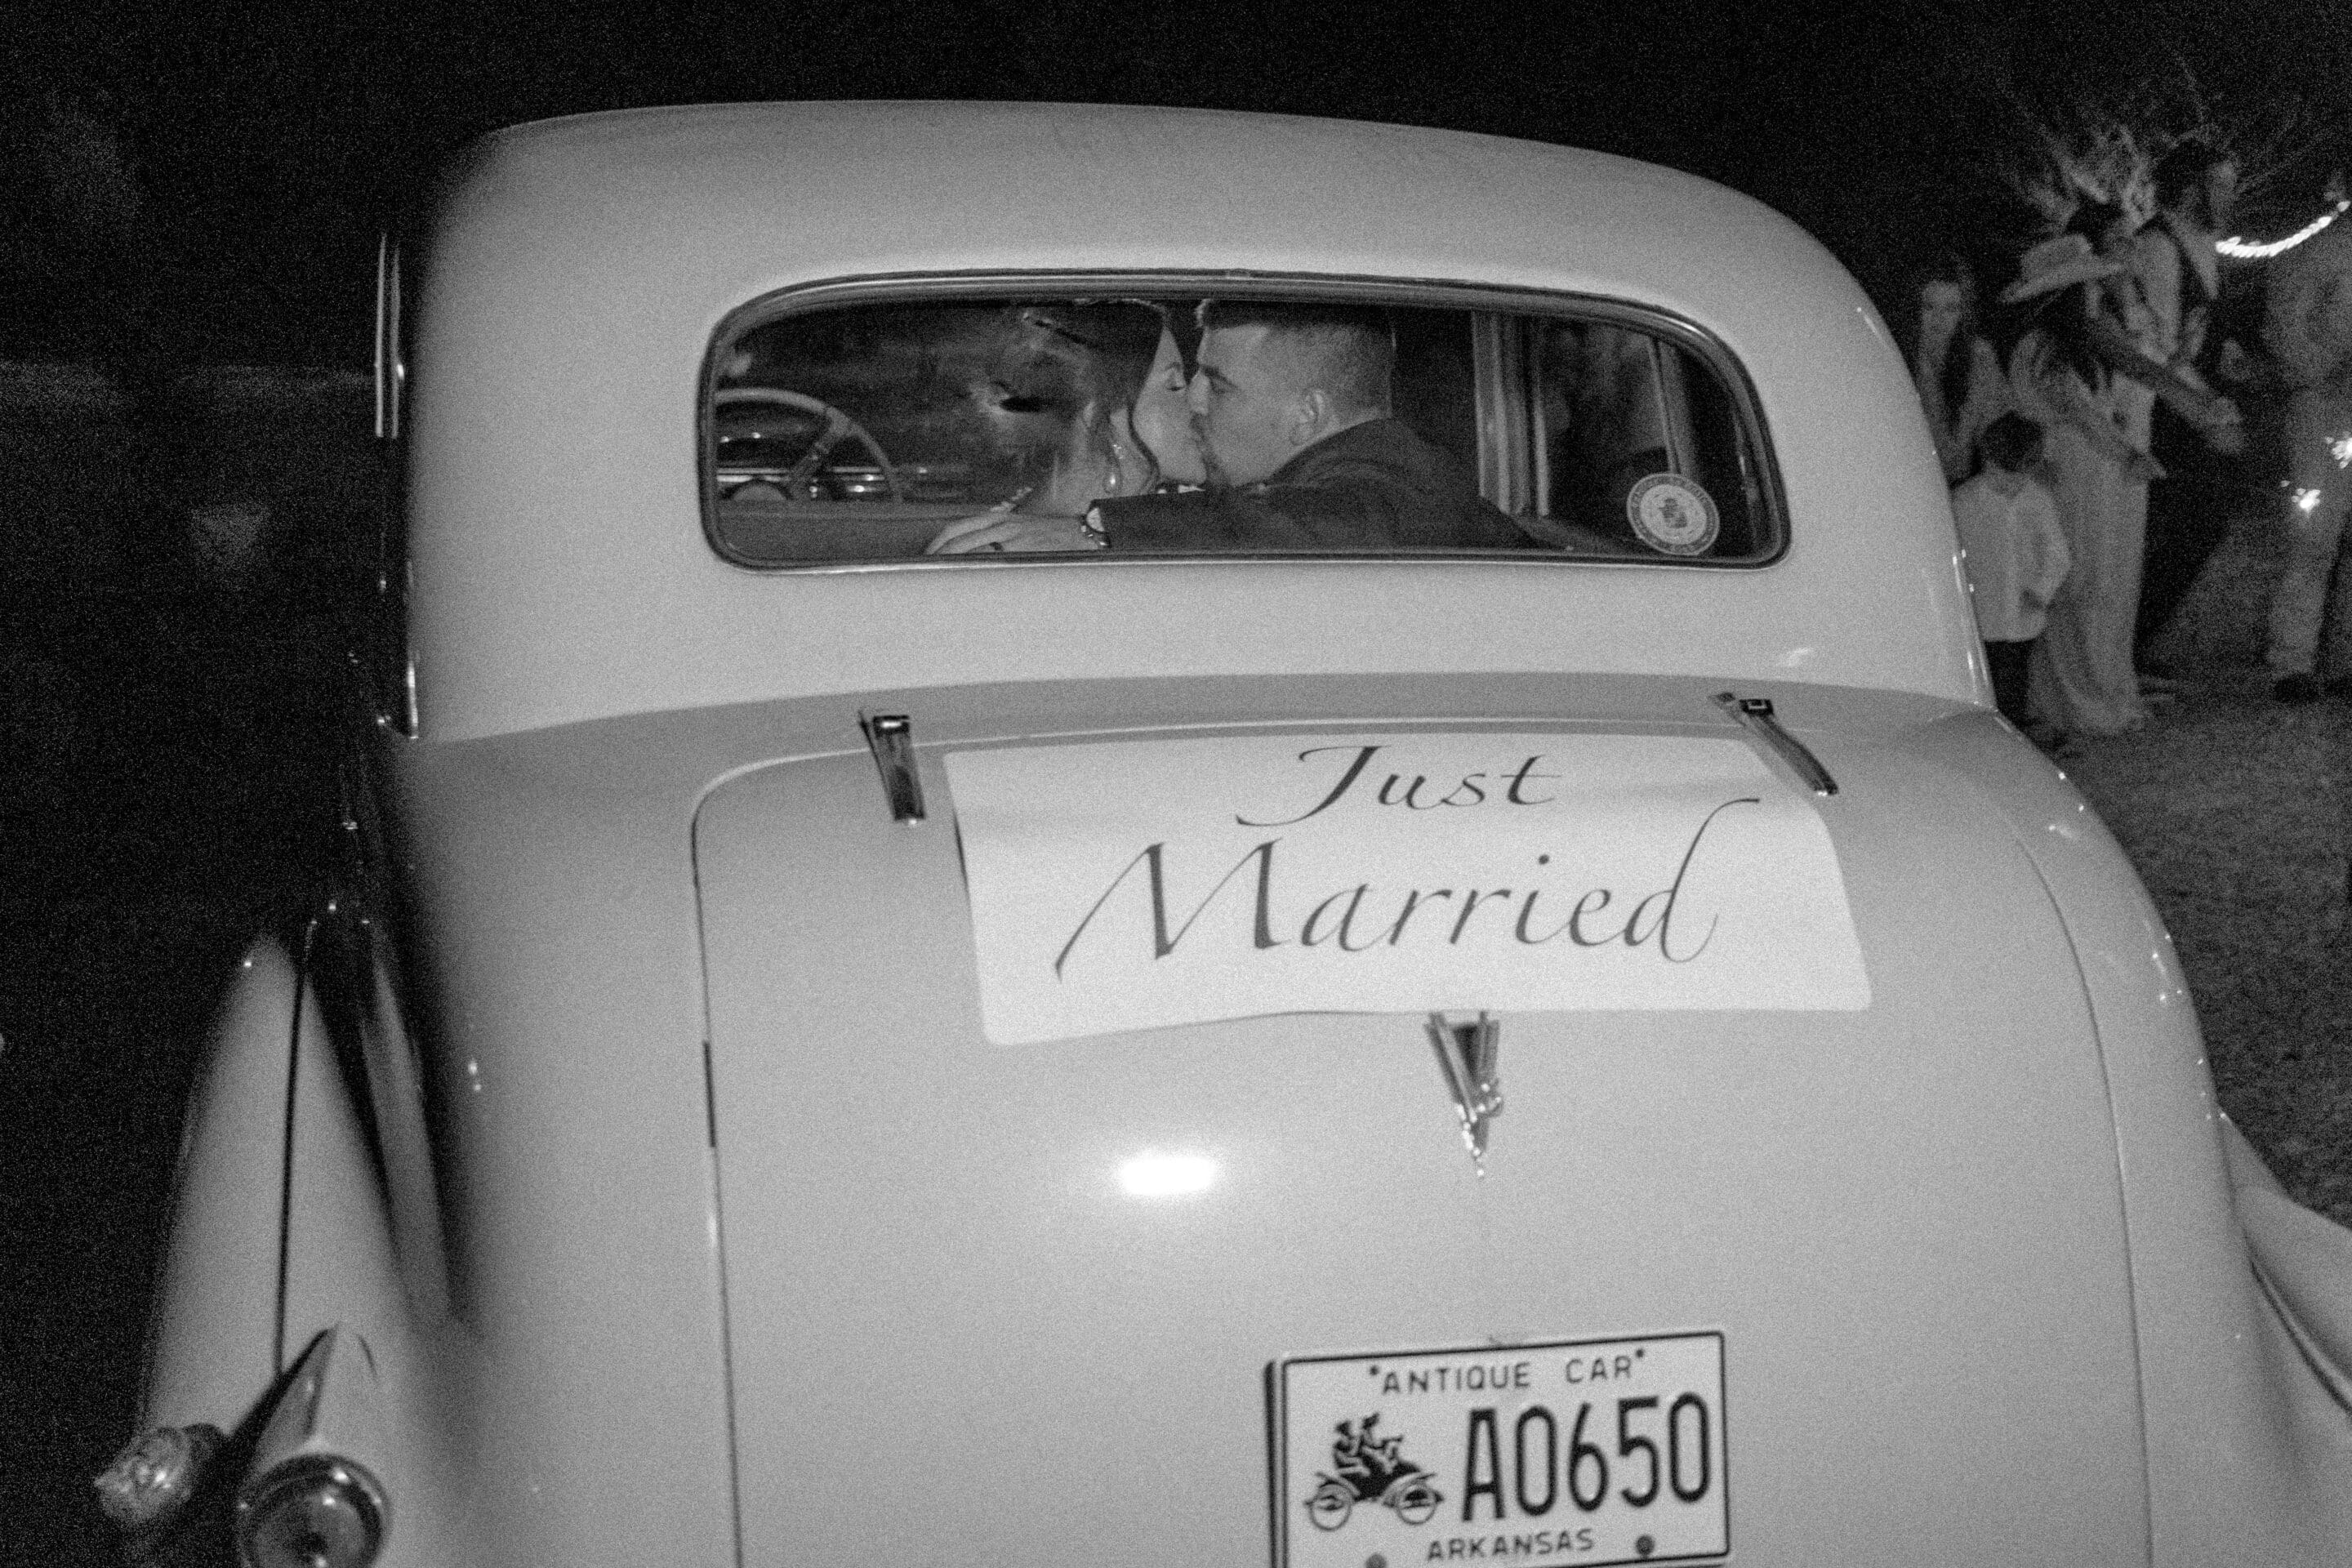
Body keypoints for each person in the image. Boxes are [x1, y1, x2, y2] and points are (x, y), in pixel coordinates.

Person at [929, 300, 1526, 554]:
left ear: (1307, 415)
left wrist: (1097, 535)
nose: (1195, 400)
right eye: (1181, 380)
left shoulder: (1392, 481)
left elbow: (1344, 520)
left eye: (1217, 384)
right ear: (1101, 416)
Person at [2001, 231, 2163, 736]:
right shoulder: (2042, 350)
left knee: (2110, 581)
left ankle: (2106, 691)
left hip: (2097, 472)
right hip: (2069, 471)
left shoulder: (2079, 347)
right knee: (2080, 584)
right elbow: (2082, 415)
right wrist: (2128, 452)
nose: (2097, 293)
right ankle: (2079, 704)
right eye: (2089, 286)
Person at [2132, 143, 2252, 666]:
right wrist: (2207, 411)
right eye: (2222, 185)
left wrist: (2226, 352)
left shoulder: (2205, 244)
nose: (2231, 197)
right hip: (2163, 406)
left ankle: (2137, 642)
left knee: (2199, 520)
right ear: (2190, 187)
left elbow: (2197, 326)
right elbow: (2156, 350)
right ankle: (2129, 645)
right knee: (2176, 525)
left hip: (2195, 396)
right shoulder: (2158, 248)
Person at [2261, 200, 2352, 702]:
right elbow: (2286, 330)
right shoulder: (2320, 252)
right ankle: (2291, 661)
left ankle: (2343, 660)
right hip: (2324, 413)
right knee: (2314, 537)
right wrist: (2325, 373)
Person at [1951, 413, 2070, 736]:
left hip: (2021, 612)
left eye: (2017, 474)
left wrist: (2042, 590)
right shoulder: (1964, 501)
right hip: (1981, 611)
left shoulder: (2038, 501)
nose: (2007, 482)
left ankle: (2012, 736)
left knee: (2014, 679)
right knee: (1982, 678)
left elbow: (2057, 555)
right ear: (1987, 459)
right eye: (2000, 472)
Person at [1908, 256, 2009, 486]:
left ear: (1964, 312)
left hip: (1967, 485)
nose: (1939, 319)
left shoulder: (1980, 358)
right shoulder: (1900, 355)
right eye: (1929, 306)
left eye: (1951, 309)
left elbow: (1994, 433)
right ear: (1915, 308)